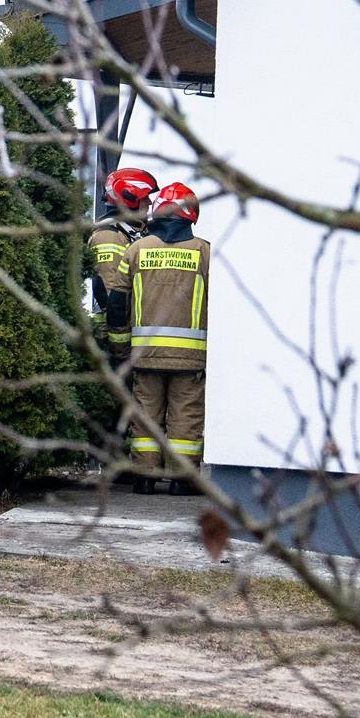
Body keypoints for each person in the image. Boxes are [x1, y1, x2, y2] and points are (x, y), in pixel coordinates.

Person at [110, 180, 210, 496]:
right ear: (192, 216)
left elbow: (116, 302)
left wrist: (118, 347)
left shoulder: (136, 250)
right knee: (186, 416)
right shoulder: (205, 253)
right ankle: (182, 481)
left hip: (144, 354)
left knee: (145, 414)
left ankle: (144, 477)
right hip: (191, 356)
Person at [88, 167, 157, 369]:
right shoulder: (108, 235)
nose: (150, 203)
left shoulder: (132, 231)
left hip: (130, 339)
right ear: (129, 198)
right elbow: (111, 294)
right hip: (114, 341)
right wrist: (122, 350)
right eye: (145, 198)